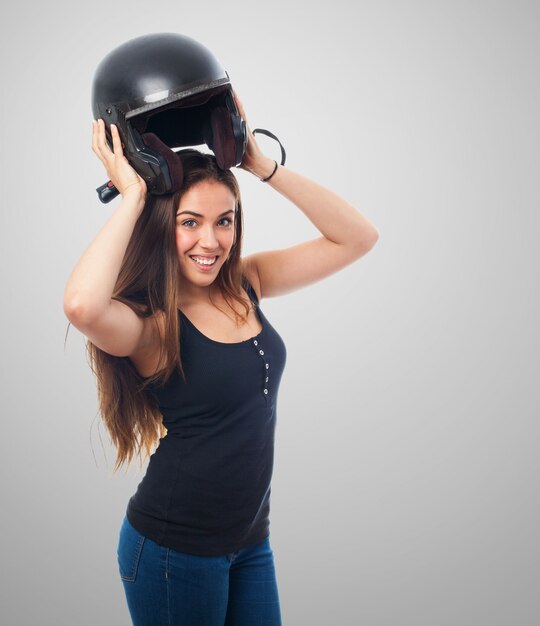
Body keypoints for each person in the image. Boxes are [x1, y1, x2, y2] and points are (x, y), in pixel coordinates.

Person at [63, 90, 380, 626]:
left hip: (252, 543)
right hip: (171, 552)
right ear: (164, 224)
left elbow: (357, 238)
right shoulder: (152, 325)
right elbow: (81, 305)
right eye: (189, 222)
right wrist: (135, 195)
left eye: (224, 221)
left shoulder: (247, 283)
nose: (210, 241)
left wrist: (261, 165)